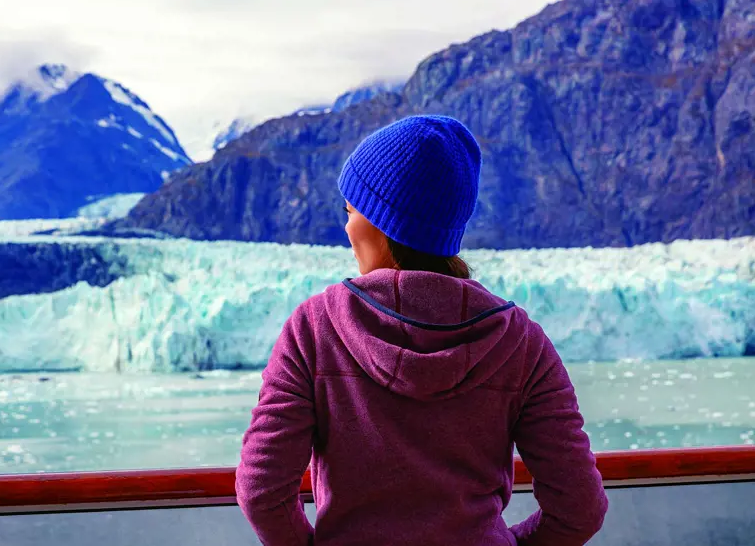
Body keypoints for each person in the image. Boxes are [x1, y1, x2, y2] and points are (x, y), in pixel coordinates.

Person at [235, 115, 608, 545]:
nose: (346, 227)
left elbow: (261, 492)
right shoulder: (521, 343)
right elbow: (581, 508)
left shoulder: (314, 330)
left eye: (351, 211)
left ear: (380, 221)